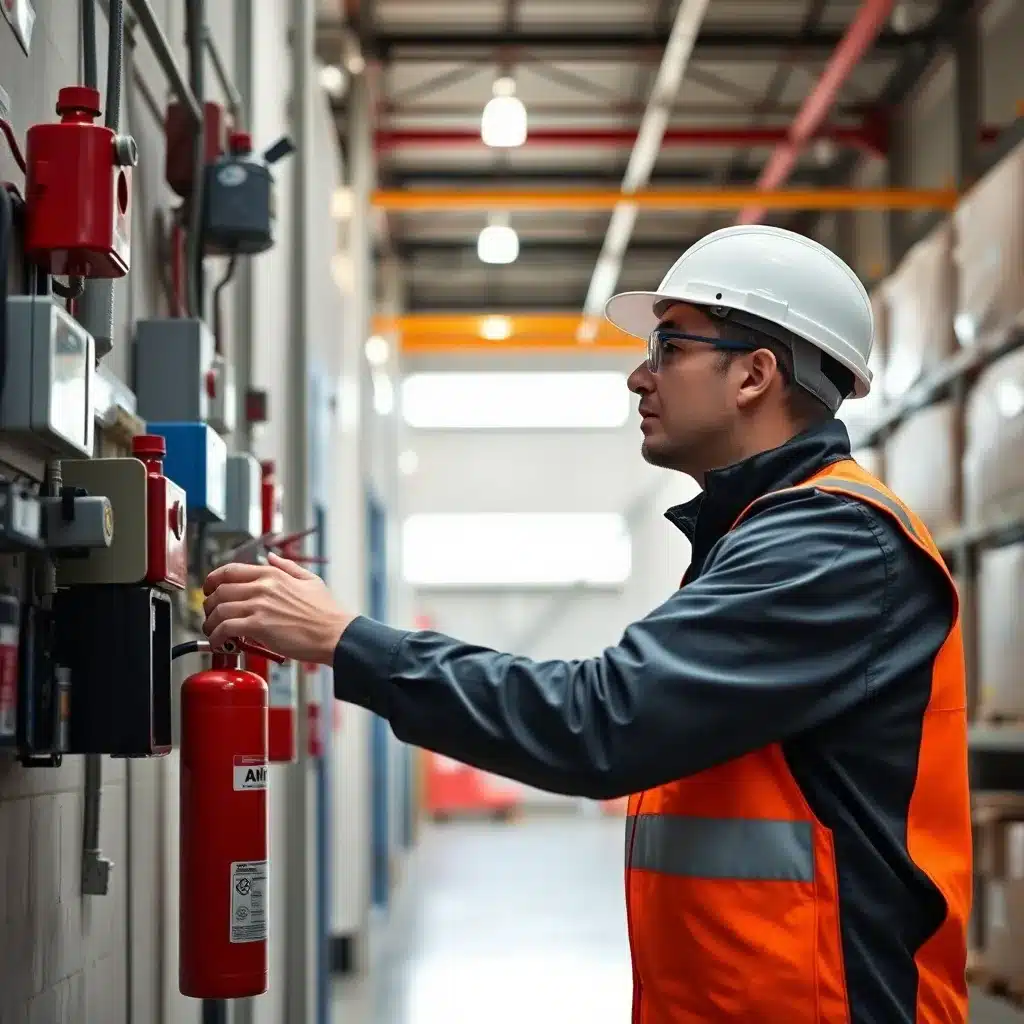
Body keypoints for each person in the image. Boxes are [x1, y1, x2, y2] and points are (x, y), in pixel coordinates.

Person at [202, 225, 971, 1023]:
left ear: (755, 373)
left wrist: (346, 641)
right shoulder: (758, 535)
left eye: (669, 347)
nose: (640, 376)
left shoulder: (833, 545)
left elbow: (601, 722)